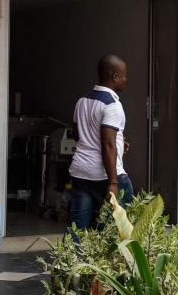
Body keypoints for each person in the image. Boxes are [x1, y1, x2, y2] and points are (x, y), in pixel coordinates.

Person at [68, 55, 134, 231]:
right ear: (115, 77)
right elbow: (107, 144)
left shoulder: (82, 101)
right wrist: (113, 182)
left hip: (81, 172)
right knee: (118, 231)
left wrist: (119, 141)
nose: (126, 79)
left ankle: (70, 258)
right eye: (124, 76)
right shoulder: (112, 105)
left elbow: (78, 135)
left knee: (77, 230)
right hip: (106, 176)